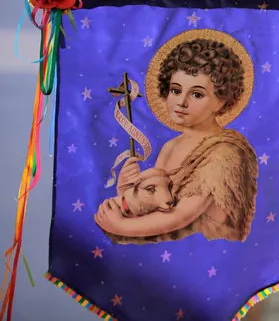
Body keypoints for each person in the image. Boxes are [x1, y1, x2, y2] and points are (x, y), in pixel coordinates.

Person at [95, 32, 259, 244]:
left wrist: (121, 226)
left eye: (197, 94)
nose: (181, 102)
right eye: (175, 90)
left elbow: (181, 217)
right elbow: (160, 206)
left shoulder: (226, 153)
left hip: (205, 252)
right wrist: (129, 190)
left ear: (222, 100)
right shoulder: (170, 146)